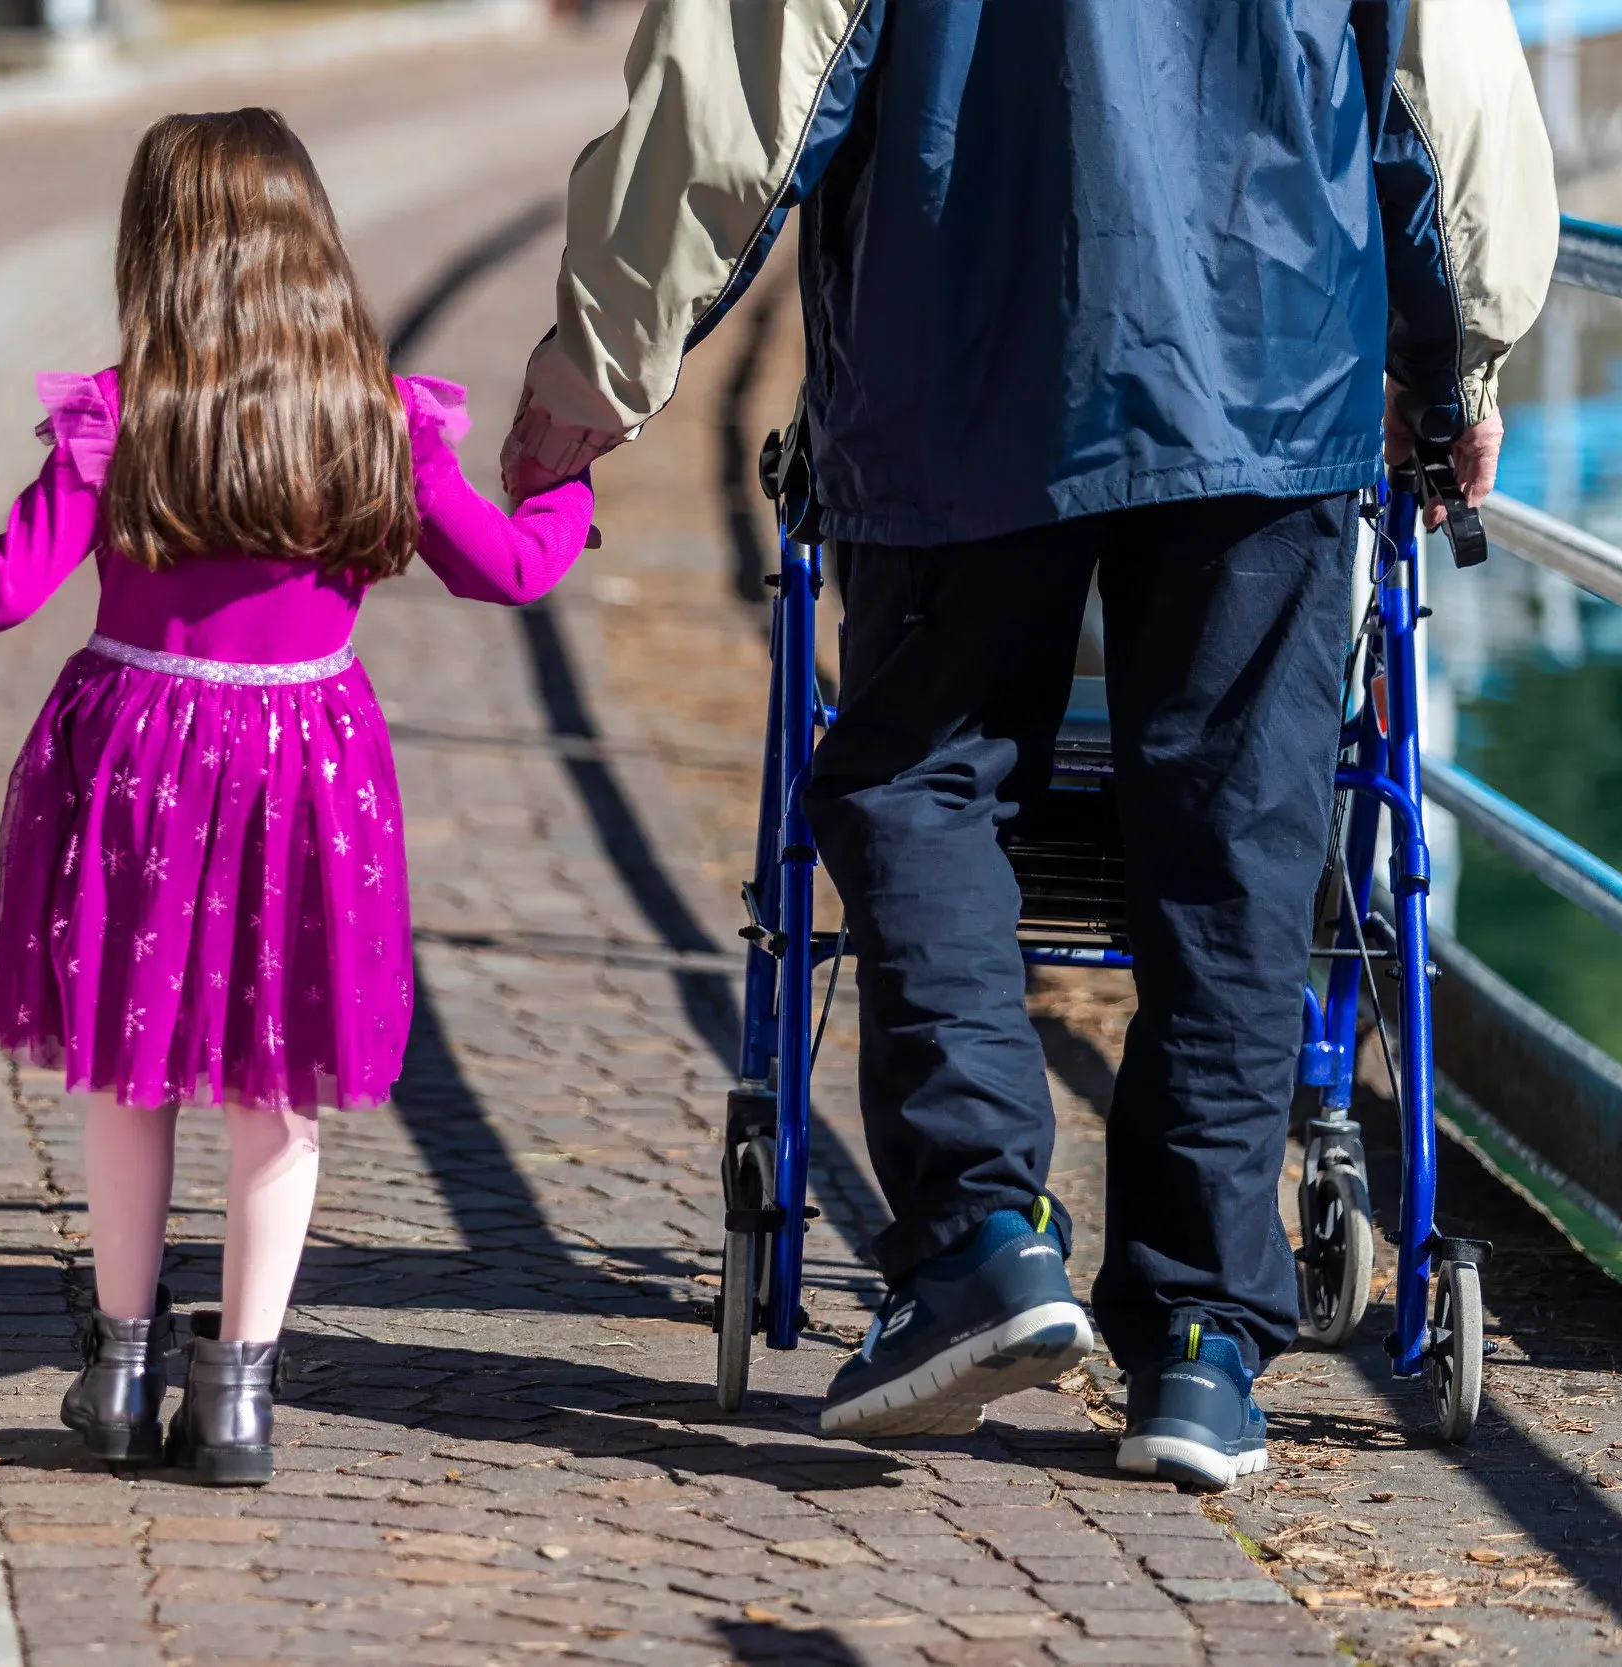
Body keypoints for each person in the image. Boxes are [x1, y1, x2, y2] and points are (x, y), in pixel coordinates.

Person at [503, 1, 1556, 1489]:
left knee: (914, 775)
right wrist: (1464, 371)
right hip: (1272, 360)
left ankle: (982, 1242)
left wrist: (600, 355)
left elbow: (741, 87)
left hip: (961, 350)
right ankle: (1200, 1343)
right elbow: (1448, 98)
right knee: (1242, 838)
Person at [0, 108, 592, 1485]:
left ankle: (120, 1369)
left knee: (133, 1069)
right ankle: (238, 1394)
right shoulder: (380, 421)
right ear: (316, 250)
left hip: (139, 757)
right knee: (278, 1089)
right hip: (308, 760)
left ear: (157, 255)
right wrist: (568, 490)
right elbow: (512, 569)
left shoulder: (123, 420)